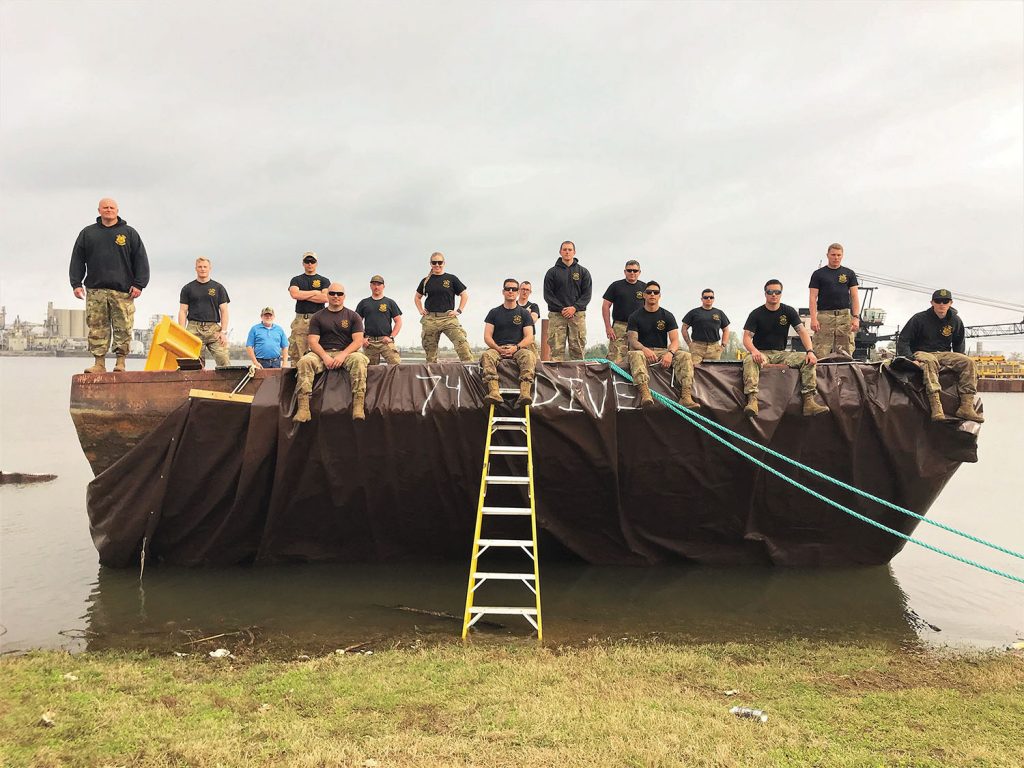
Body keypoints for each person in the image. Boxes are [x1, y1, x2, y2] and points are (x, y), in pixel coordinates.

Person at [69, 197, 150, 373]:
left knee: (123, 327)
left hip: (122, 291)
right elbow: (77, 259)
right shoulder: (88, 233)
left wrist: (139, 284)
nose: (108, 210)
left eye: (112, 207)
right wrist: (76, 283)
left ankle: (120, 362)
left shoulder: (129, 233)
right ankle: (99, 364)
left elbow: (141, 259)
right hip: (96, 290)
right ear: (99, 210)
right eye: (105, 207)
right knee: (97, 327)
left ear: (117, 210)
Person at [741, 280, 829, 418]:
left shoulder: (788, 311)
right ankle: (752, 400)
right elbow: (746, 338)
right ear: (765, 294)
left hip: (782, 353)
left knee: (806, 360)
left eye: (777, 292)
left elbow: (802, 331)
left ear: (781, 294)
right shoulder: (756, 314)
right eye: (770, 292)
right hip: (762, 353)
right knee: (749, 360)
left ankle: (809, 401)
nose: (774, 295)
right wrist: (754, 351)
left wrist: (810, 351)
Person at [896, 289, 983, 423]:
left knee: (969, 362)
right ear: (932, 303)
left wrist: (959, 362)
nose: (941, 304)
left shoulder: (955, 320)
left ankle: (966, 406)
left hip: (943, 353)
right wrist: (911, 359)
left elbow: (959, 344)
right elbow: (903, 340)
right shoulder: (919, 319)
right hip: (922, 352)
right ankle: (936, 405)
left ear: (951, 303)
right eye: (938, 301)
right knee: (930, 361)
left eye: (945, 301)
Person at [293, 282, 370, 423]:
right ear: (327, 295)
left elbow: (358, 341)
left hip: (346, 353)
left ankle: (358, 406)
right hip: (322, 354)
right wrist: (325, 357)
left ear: (344, 296)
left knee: (359, 360)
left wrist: (343, 355)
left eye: (339, 294)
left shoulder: (354, 317)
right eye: (332, 293)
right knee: (304, 361)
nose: (336, 296)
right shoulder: (317, 317)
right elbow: (313, 341)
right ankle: (303, 408)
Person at [625, 280, 699, 409]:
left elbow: (675, 340)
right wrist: (644, 349)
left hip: (663, 351)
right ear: (644, 295)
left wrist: (670, 354)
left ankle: (686, 396)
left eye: (655, 292)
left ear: (659, 295)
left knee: (685, 355)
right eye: (649, 292)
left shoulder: (667, 315)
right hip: (642, 351)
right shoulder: (635, 316)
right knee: (635, 354)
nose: (652, 294)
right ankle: (645, 394)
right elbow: (632, 340)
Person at [481, 279, 537, 408]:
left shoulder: (524, 314)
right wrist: (498, 349)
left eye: (513, 289)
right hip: (497, 348)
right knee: (486, 355)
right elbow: (487, 336)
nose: (510, 291)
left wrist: (516, 347)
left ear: (518, 292)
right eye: (507, 289)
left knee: (529, 356)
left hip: (517, 348)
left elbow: (529, 337)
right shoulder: (494, 313)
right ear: (503, 292)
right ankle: (494, 392)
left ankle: (525, 393)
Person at [413, 251, 472, 363]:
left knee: (462, 344)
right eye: (434, 262)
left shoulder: (451, 279)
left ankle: (470, 371)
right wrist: (420, 310)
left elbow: (464, 295)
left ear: (444, 263)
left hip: (448, 318)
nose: (437, 265)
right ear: (430, 264)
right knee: (430, 353)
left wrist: (459, 310)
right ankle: (431, 377)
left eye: (440, 262)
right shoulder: (426, 281)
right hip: (430, 319)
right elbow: (417, 297)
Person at [808, 243, 860, 358]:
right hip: (824, 316)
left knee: (845, 352)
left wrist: (856, 317)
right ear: (828, 255)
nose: (836, 257)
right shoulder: (818, 274)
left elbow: (854, 296)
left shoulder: (849, 273)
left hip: (844, 316)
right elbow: (812, 298)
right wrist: (813, 318)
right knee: (821, 351)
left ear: (842, 256)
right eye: (833, 255)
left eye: (838, 255)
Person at [543, 240, 592, 361]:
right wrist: (562, 309)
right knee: (556, 352)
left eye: (570, 249)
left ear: (574, 252)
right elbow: (548, 295)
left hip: (577, 315)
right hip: (557, 316)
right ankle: (555, 379)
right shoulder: (552, 272)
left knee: (578, 351)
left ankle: (579, 378)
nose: (567, 252)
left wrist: (574, 308)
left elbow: (587, 295)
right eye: (564, 249)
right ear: (560, 252)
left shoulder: (583, 272)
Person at [178, 257, 231, 368]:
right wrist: (182, 331)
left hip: (213, 329)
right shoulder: (187, 288)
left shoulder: (218, 288)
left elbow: (224, 311)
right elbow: (183, 311)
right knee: (194, 364)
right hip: (193, 328)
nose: (202, 269)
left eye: (205, 267)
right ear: (196, 269)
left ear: (209, 268)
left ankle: (227, 384)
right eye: (200, 267)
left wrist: (224, 332)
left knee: (223, 359)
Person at [288, 251, 331, 362]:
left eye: (312, 261)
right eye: (307, 261)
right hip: (301, 319)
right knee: (298, 351)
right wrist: (315, 292)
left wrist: (304, 295)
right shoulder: (296, 280)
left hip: (319, 318)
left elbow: (325, 298)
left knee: (320, 349)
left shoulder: (324, 280)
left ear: (316, 263)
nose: (310, 264)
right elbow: (294, 294)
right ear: (303, 263)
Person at [601, 260, 645, 364]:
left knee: (637, 357)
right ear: (625, 272)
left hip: (638, 328)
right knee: (615, 358)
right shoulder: (616, 286)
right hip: (619, 326)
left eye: (635, 270)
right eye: (629, 270)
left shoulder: (645, 288)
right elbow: (605, 306)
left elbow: (650, 308)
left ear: (639, 272)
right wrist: (608, 327)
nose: (632, 273)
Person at [355, 274, 403, 365]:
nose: (376, 287)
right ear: (370, 286)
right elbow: (356, 323)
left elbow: (398, 321)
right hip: (369, 342)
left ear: (383, 286)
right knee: (369, 369)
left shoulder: (390, 302)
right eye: (374, 284)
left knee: (396, 365)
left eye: (379, 284)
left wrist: (391, 337)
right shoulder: (364, 303)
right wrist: (362, 339)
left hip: (385, 341)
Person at [681, 289, 732, 365]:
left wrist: (723, 345)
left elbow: (726, 329)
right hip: (697, 348)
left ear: (713, 299)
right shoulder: (694, 312)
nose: (708, 299)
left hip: (714, 348)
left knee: (714, 372)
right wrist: (689, 344)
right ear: (702, 299)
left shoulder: (719, 313)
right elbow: (684, 328)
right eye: (706, 297)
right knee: (695, 371)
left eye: (711, 297)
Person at [517, 280, 541, 355]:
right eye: (523, 289)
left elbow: (533, 320)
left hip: (529, 338)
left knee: (534, 361)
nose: (525, 292)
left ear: (530, 292)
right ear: (518, 291)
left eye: (527, 290)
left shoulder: (533, 306)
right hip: (514, 338)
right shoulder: (512, 305)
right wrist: (527, 313)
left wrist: (519, 315)